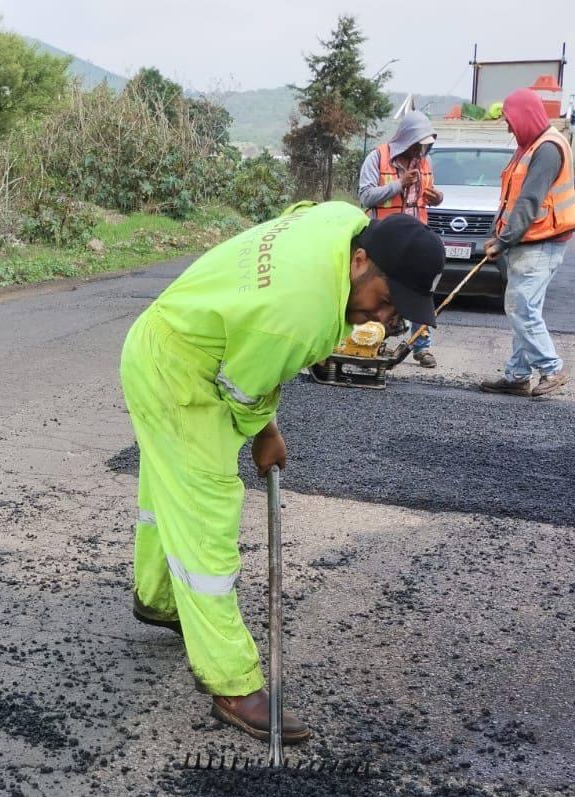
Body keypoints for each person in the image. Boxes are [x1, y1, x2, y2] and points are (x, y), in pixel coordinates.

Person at [122, 206, 445, 743]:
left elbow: (294, 218)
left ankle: (156, 599)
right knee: (205, 508)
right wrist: (267, 434)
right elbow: (244, 388)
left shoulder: (341, 219)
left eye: (398, 311)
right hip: (180, 369)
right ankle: (231, 681)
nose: (386, 319)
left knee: (168, 487)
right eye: (386, 301)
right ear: (359, 261)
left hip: (175, 329)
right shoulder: (301, 317)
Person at [480, 88, 575, 397]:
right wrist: (500, 236)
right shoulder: (529, 146)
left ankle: (552, 368)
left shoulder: (547, 149)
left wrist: (504, 240)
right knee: (525, 308)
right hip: (529, 242)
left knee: (520, 308)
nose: (509, 127)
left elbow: (529, 201)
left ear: (524, 116)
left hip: (540, 243)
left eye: (510, 120)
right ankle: (518, 375)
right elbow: (511, 198)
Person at [358, 110, 445, 368]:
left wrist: (437, 198)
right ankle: (371, 341)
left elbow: (432, 196)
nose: (421, 151)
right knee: (380, 292)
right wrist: (398, 184)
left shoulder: (425, 163)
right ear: (407, 139)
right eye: (418, 144)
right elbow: (366, 197)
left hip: (415, 243)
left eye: (425, 145)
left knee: (420, 291)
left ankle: (421, 346)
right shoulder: (377, 158)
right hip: (384, 241)